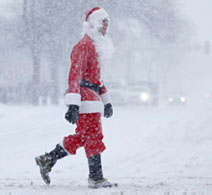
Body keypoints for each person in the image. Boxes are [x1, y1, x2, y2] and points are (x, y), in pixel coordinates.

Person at [35, 7, 118, 189]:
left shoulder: (95, 47)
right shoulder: (83, 46)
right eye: (103, 21)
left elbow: (97, 79)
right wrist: (73, 104)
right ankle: (96, 178)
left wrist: (107, 100)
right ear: (94, 23)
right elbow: (74, 75)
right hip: (85, 98)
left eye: (107, 21)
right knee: (93, 136)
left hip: (93, 98)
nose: (106, 25)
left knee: (83, 137)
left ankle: (48, 159)